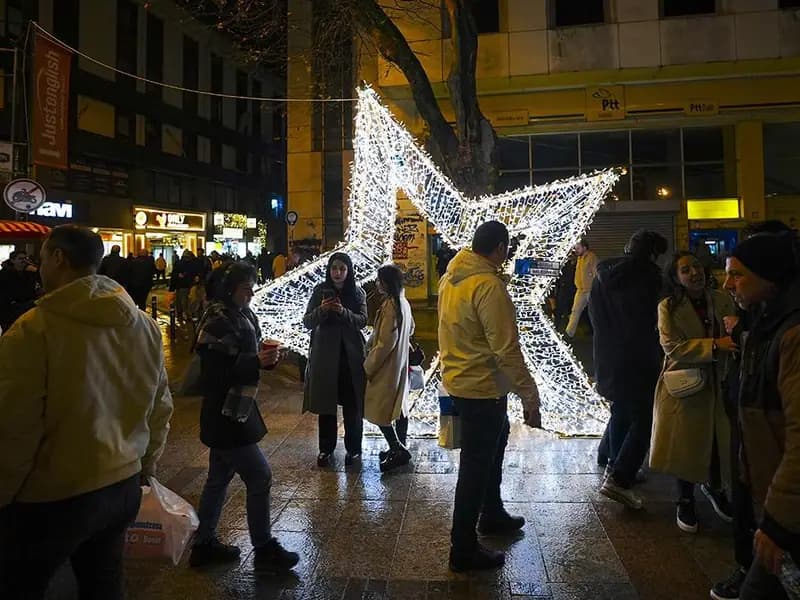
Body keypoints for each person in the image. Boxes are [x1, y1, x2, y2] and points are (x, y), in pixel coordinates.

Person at [0, 225, 173, 599]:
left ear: (58, 258)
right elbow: (159, 405)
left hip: (55, 494)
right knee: (103, 582)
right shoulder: (143, 324)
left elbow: (14, 426)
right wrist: (146, 465)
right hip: (122, 484)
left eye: (43, 257)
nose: (39, 265)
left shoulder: (34, 330)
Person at [438, 220, 541, 573]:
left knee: (491, 451)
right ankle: (462, 548)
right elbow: (506, 350)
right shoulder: (487, 286)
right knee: (475, 467)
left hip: (462, 382)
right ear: (499, 248)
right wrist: (530, 395)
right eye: (506, 249)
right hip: (482, 388)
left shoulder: (451, 279)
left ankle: (492, 512)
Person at [189, 262, 299, 572]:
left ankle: (204, 544)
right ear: (229, 289)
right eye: (244, 288)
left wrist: (270, 360)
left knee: (217, 478)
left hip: (238, 408)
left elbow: (250, 360)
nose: (251, 293)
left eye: (252, 286)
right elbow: (213, 374)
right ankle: (264, 548)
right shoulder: (216, 319)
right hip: (224, 412)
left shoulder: (243, 314)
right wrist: (255, 362)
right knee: (259, 475)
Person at [711, 220, 793, 600]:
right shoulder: (764, 323)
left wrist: (777, 521)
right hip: (771, 493)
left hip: (785, 506)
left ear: (770, 279)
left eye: (737, 276)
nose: (728, 285)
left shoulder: (790, 334)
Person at [650, 252, 736, 532]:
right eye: (685, 270)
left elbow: (736, 335)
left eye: (696, 266)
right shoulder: (668, 306)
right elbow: (672, 346)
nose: (694, 273)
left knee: (716, 441)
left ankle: (716, 489)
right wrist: (714, 345)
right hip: (685, 383)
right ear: (676, 277)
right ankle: (685, 499)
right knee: (684, 445)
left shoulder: (722, 298)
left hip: (718, 382)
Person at [590, 230, 668, 510]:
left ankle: (609, 456)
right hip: (638, 358)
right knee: (646, 417)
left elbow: (594, 315)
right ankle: (620, 477)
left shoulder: (603, 275)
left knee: (621, 407)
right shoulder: (649, 279)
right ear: (653, 254)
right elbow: (652, 323)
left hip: (607, 355)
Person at [303, 252, 368, 467]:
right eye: (334, 268)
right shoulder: (319, 291)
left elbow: (362, 321)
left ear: (348, 271)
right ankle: (326, 449)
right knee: (326, 406)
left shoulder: (357, 292)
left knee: (352, 406)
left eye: (342, 268)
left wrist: (343, 312)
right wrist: (323, 309)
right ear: (329, 270)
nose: (337, 273)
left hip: (350, 358)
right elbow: (307, 321)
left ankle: (354, 449)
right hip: (326, 357)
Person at [364, 264, 415, 473]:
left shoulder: (391, 306)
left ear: (386, 283)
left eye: (379, 280)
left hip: (387, 367)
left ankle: (397, 449)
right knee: (397, 408)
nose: (377, 284)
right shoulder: (403, 303)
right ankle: (398, 447)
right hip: (398, 364)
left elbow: (385, 342)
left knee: (379, 410)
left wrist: (369, 365)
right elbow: (410, 329)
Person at [0, 250, 41, 334]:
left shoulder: (29, 272)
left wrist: (36, 271)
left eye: (25, 258)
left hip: (27, 308)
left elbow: (41, 280)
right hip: (10, 310)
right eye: (20, 258)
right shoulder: (4, 274)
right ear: (12, 260)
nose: (24, 261)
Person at [565, 238, 598, 337]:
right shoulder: (580, 258)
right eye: (575, 248)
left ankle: (598, 332)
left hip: (590, 290)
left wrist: (595, 287)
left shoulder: (592, 257)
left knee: (594, 312)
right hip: (581, 290)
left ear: (584, 247)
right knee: (575, 311)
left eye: (578, 248)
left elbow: (596, 273)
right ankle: (569, 333)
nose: (576, 250)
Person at [170, 249, 198, 321]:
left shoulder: (179, 263)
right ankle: (186, 315)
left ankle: (180, 315)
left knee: (180, 300)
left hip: (179, 284)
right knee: (184, 300)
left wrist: (172, 287)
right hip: (186, 284)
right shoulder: (191, 263)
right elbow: (193, 273)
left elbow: (174, 274)